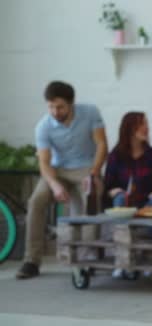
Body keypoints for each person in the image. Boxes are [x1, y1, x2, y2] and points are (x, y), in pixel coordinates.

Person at [16, 81, 107, 279]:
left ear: (71, 103)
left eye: (60, 107)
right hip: (57, 170)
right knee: (36, 201)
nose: (55, 111)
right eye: (51, 106)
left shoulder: (90, 113)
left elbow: (101, 145)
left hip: (86, 168)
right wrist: (55, 185)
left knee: (93, 196)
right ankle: (31, 260)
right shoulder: (43, 126)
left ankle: (88, 257)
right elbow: (44, 163)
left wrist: (94, 173)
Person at [104, 112, 152, 209]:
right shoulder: (116, 156)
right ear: (129, 129)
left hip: (147, 201)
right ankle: (122, 224)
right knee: (120, 198)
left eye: (147, 124)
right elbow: (108, 186)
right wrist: (114, 191)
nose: (147, 128)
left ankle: (142, 221)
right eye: (142, 124)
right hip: (125, 200)